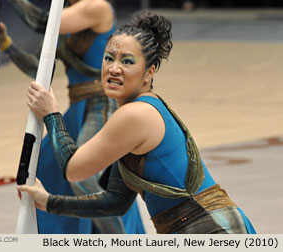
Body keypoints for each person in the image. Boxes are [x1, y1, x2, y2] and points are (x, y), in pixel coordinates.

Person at [18, 10, 257, 234]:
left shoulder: (135, 116)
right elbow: (115, 202)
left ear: (150, 72)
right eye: (109, 58)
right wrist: (49, 202)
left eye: (127, 62)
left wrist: (51, 114)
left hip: (213, 230)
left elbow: (74, 169)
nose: (114, 68)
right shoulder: (138, 113)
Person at [0, 0, 145, 234]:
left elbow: (42, 21)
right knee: (44, 171)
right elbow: (37, 68)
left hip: (100, 107)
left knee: (84, 176)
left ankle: (119, 241)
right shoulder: (64, 23)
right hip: (79, 108)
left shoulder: (97, 7)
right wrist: (7, 44)